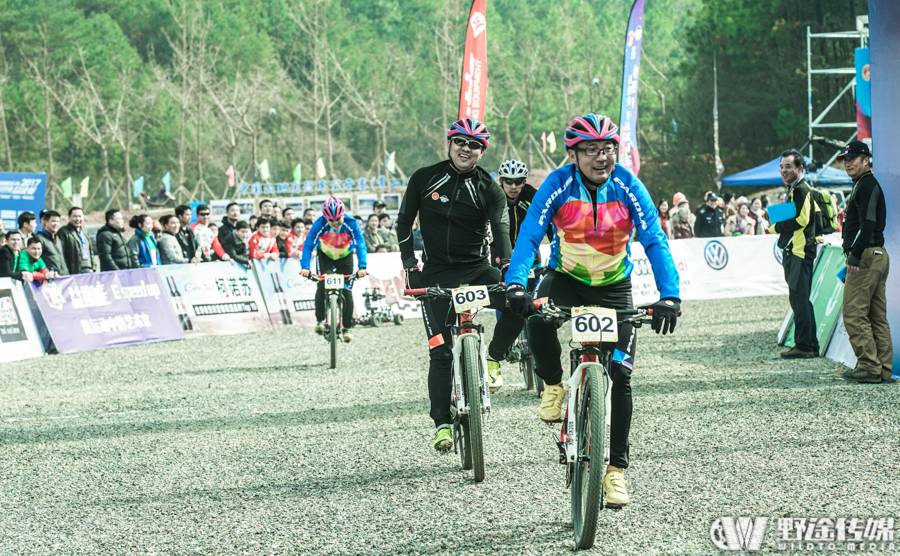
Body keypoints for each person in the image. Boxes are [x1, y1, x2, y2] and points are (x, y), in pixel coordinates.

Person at [504, 113, 680, 509]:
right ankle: (552, 383)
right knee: (534, 317)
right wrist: (515, 283)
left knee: (621, 374)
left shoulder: (628, 186)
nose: (602, 157)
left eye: (608, 149)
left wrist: (670, 295)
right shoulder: (558, 184)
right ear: (573, 153)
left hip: (615, 287)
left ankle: (616, 471)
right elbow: (531, 233)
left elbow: (653, 237)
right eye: (591, 150)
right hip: (566, 278)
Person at [395, 117, 524, 452]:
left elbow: (501, 228)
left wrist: (509, 269)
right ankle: (441, 423)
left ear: (482, 151)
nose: (467, 149)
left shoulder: (489, 188)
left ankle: (494, 358)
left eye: (475, 145)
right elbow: (404, 222)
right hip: (436, 273)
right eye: (461, 142)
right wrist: (410, 264)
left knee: (518, 303)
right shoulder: (424, 178)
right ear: (449, 144)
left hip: (477, 270)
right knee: (439, 352)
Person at [835, 141, 893, 383]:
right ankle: (882, 369)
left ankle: (870, 367)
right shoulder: (863, 183)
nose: (848, 163)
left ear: (866, 159)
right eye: (845, 159)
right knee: (876, 316)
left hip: (867, 256)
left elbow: (867, 223)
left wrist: (855, 255)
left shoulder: (867, 183)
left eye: (853, 158)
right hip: (876, 254)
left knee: (853, 313)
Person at [769, 149, 818, 359]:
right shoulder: (794, 189)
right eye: (781, 167)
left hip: (799, 251)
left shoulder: (800, 189)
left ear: (800, 168)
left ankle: (805, 345)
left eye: (788, 166)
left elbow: (801, 220)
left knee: (799, 298)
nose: (783, 170)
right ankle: (810, 344)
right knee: (801, 299)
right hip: (797, 250)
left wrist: (775, 227)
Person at [300, 196, 368, 342]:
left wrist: (362, 266)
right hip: (325, 256)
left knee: (347, 292)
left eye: (338, 219)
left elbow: (360, 244)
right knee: (321, 285)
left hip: (346, 256)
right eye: (331, 220)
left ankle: (347, 328)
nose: (336, 223)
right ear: (325, 218)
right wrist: (305, 267)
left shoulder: (351, 223)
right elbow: (308, 245)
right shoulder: (319, 224)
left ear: (343, 214)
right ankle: (319, 320)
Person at [58, 207, 94, 273]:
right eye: (75, 216)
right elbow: (61, 254)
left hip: (88, 270)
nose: (78, 219)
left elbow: (90, 250)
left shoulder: (84, 230)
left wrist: (93, 267)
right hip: (73, 271)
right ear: (69, 217)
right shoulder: (63, 232)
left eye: (80, 216)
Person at [35, 210, 69, 276]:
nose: (56, 224)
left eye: (58, 221)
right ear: (46, 222)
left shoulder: (58, 239)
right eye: (53, 221)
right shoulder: (39, 239)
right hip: (49, 279)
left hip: (63, 278)